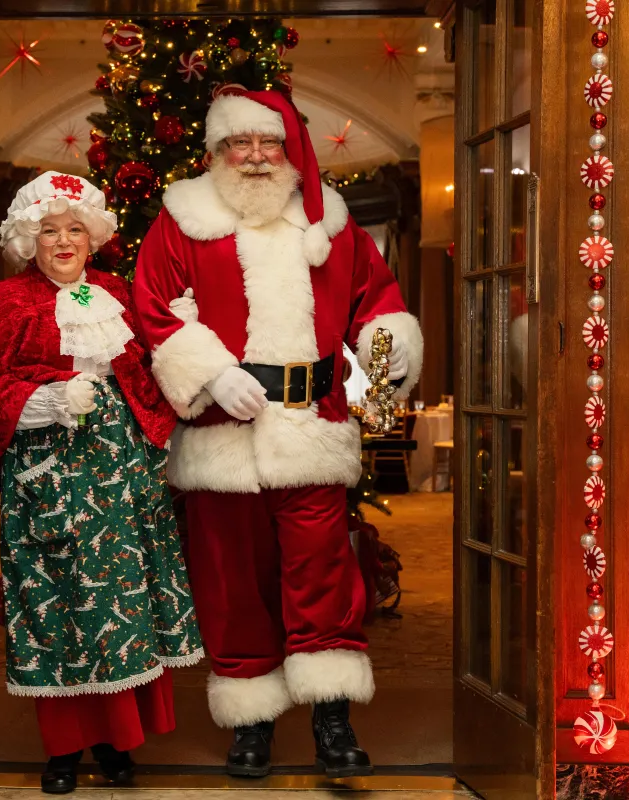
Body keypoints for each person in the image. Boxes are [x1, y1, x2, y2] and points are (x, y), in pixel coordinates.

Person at [132, 90, 423, 778]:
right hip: (220, 435)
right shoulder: (181, 219)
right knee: (232, 582)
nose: (257, 158)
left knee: (322, 573)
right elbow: (154, 309)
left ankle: (332, 717)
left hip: (309, 428)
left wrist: (388, 340)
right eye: (241, 144)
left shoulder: (329, 219)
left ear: (289, 149)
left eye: (269, 144)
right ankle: (251, 721)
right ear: (217, 151)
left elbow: (375, 297)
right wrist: (208, 374)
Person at [0, 171, 204, 794]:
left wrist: (181, 336)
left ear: (93, 237)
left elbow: (151, 373)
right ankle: (63, 750)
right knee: (57, 603)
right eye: (48, 230)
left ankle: (116, 745)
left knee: (121, 604)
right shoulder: (2, 301)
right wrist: (46, 400)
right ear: (28, 239)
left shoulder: (117, 291)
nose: (63, 241)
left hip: (122, 472)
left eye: (75, 229)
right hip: (50, 470)